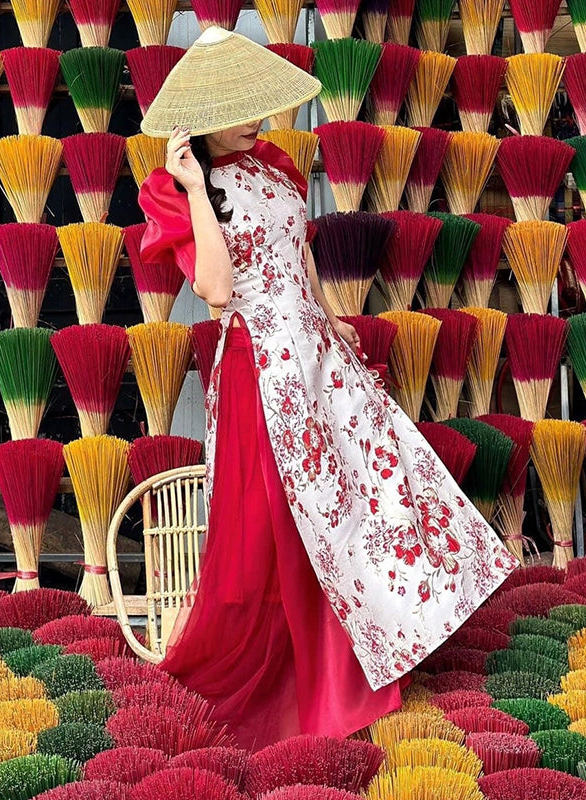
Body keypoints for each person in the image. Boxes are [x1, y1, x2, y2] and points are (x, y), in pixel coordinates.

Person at [138, 26, 518, 750]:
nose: (254, 118)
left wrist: (329, 315)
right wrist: (193, 188)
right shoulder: (179, 190)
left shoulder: (274, 165)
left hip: (316, 355)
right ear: (202, 114)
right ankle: (315, 677)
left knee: (363, 495)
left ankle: (382, 636)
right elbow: (215, 290)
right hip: (261, 366)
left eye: (255, 103)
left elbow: (299, 249)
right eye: (235, 108)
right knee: (291, 518)